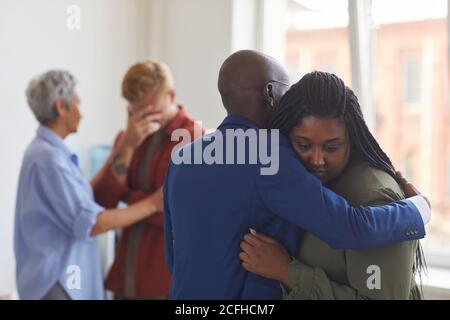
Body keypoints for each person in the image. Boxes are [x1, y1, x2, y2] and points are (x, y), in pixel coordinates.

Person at [163, 50, 431, 299]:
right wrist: (418, 210)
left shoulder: (183, 158)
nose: (316, 159)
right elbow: (350, 227)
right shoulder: (269, 155)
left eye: (331, 146)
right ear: (270, 92)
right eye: (286, 91)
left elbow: (174, 256)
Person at [239, 71, 426, 300]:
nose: (317, 160)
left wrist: (287, 272)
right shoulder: (293, 181)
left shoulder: (375, 197)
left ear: (351, 138)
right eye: (303, 144)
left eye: (332, 147)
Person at [14, 70, 163, 300]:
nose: (81, 113)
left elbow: (85, 199)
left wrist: (125, 146)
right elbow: (91, 222)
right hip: (59, 282)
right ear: (61, 108)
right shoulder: (50, 160)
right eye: (77, 103)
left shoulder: (48, 153)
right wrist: (153, 204)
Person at [91, 60, 201, 299]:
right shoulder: (127, 137)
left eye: (151, 109)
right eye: (136, 110)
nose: (144, 117)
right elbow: (99, 204)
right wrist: (127, 146)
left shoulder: (195, 139)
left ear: (170, 95)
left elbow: (181, 212)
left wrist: (129, 199)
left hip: (166, 282)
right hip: (126, 277)